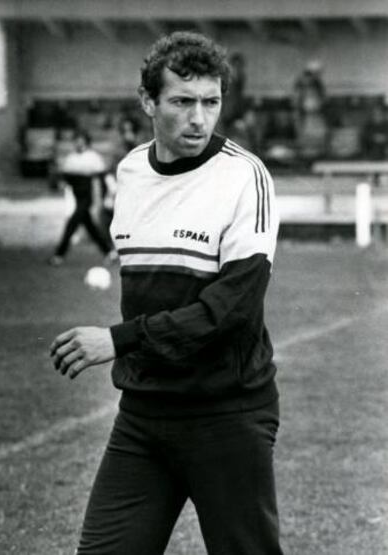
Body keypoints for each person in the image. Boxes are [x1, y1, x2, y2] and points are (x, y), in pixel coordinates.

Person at [50, 31, 283, 555]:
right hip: (144, 415)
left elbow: (230, 310)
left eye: (211, 102)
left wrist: (121, 339)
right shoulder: (131, 172)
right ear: (148, 102)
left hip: (228, 413)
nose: (199, 118)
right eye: (182, 102)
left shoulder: (246, 178)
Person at [49, 130, 116, 266]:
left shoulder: (92, 157)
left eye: (82, 140)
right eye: (77, 140)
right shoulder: (71, 158)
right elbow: (66, 177)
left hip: (87, 196)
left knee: (72, 223)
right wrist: (62, 182)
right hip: (76, 195)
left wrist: (109, 193)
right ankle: (109, 252)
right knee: (90, 227)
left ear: (86, 142)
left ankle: (59, 254)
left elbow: (103, 175)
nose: (79, 143)